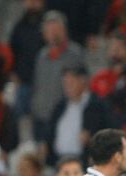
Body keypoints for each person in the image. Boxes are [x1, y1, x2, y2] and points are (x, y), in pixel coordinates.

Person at [31, 10, 85, 144]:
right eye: (49, 30)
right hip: (40, 116)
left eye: (56, 29)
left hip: (63, 115)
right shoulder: (41, 55)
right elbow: (37, 84)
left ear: (64, 30)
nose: (53, 34)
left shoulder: (75, 54)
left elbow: (81, 86)